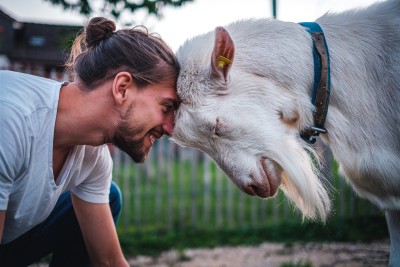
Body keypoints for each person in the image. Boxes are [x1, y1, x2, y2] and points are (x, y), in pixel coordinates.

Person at [0, 17, 180, 266]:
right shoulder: (10, 119)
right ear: (123, 88)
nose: (171, 128)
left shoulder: (93, 159)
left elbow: (109, 261)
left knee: (110, 196)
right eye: (166, 107)